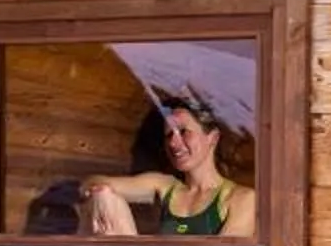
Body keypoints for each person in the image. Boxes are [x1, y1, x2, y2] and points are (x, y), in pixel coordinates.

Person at [76, 98, 259, 238]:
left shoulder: (242, 198)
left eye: (184, 132)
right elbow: (88, 184)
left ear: (213, 138)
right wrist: (100, 194)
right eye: (169, 134)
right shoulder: (164, 186)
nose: (173, 142)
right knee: (104, 195)